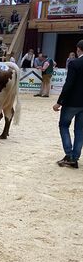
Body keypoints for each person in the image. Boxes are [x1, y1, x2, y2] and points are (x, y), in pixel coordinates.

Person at [53, 40, 83, 168]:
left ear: (78, 49)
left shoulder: (74, 63)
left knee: (64, 126)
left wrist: (59, 102)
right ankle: (75, 157)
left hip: (72, 102)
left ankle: (69, 155)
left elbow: (69, 84)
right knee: (80, 130)